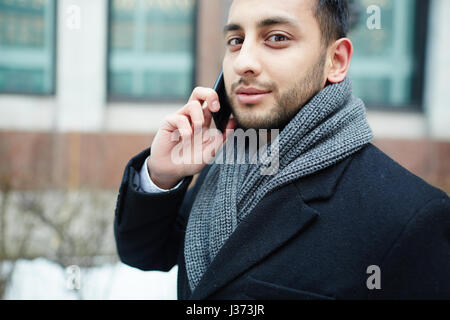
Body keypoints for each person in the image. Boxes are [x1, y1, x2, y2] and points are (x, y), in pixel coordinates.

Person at [114, 0, 450, 300]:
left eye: (276, 38)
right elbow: (145, 254)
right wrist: (160, 175)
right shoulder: (226, 165)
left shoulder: (411, 216)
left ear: (336, 60)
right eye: (235, 41)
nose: (244, 62)